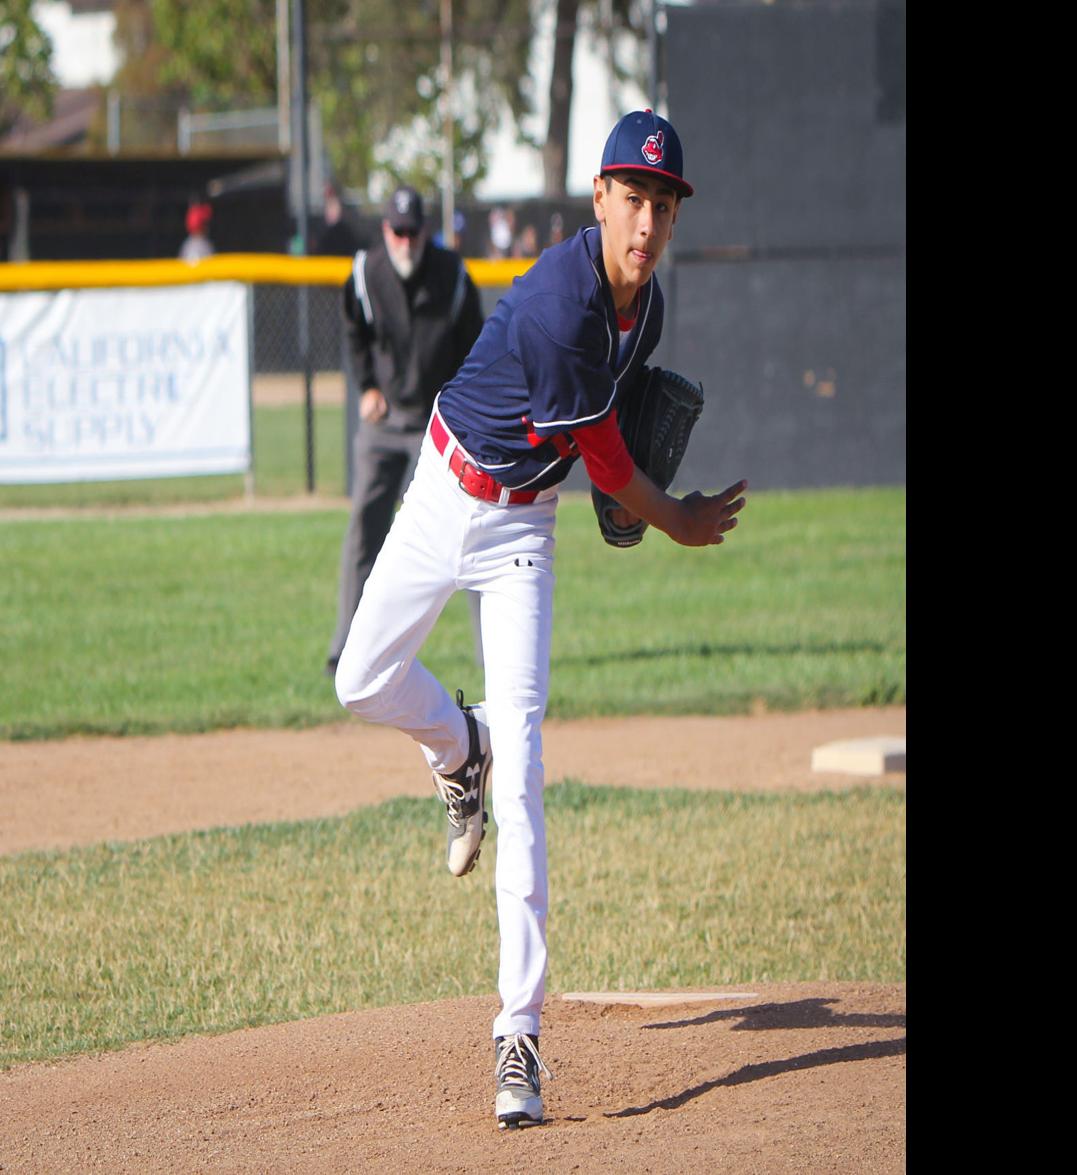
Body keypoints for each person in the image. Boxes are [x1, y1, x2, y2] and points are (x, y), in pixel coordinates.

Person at [333, 110, 747, 1129]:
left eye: (663, 203)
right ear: (598, 199)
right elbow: (606, 460)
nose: (646, 220)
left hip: (524, 533)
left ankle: (516, 1033)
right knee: (360, 680)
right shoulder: (564, 298)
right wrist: (675, 518)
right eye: (631, 197)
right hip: (443, 488)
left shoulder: (644, 310)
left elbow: (590, 459)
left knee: (522, 771)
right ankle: (452, 742)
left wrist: (621, 488)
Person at [324, 185, 484, 675]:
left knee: (474, 534)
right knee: (364, 530)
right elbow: (354, 330)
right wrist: (367, 385)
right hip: (387, 422)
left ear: (426, 232)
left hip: (439, 428)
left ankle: (496, 657)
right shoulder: (366, 272)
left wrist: (462, 408)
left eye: (415, 231)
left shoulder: (453, 276)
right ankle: (346, 649)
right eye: (398, 231)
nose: (406, 240)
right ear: (385, 231)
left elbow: (476, 347)